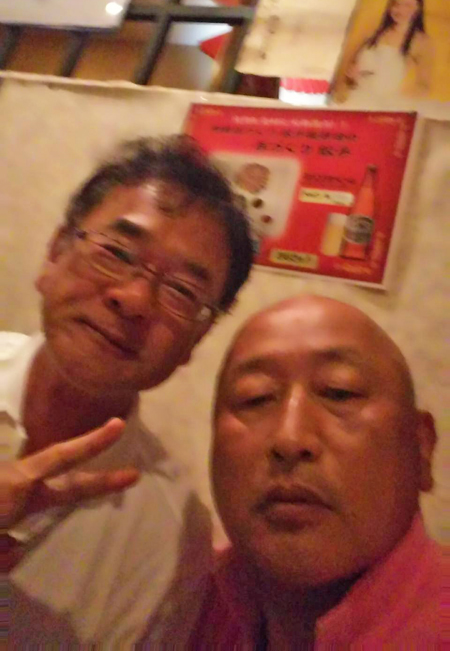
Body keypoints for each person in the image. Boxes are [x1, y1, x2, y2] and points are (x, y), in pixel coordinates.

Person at [1, 135, 253, 646]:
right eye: (116, 253)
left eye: (182, 291)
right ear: (54, 254)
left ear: (197, 339)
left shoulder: (172, 537)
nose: (135, 299)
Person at [189, 295, 445, 647]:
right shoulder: (181, 599)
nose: (290, 438)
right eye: (255, 398)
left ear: (421, 448)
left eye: (340, 393)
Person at [342, 0, 434, 102]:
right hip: (357, 98)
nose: (400, 10)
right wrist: (352, 75)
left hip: (387, 104)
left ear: (418, 8)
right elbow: (351, 73)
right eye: (396, 4)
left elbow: (424, 87)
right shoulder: (374, 32)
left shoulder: (421, 41)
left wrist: (399, 101)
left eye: (407, 5)